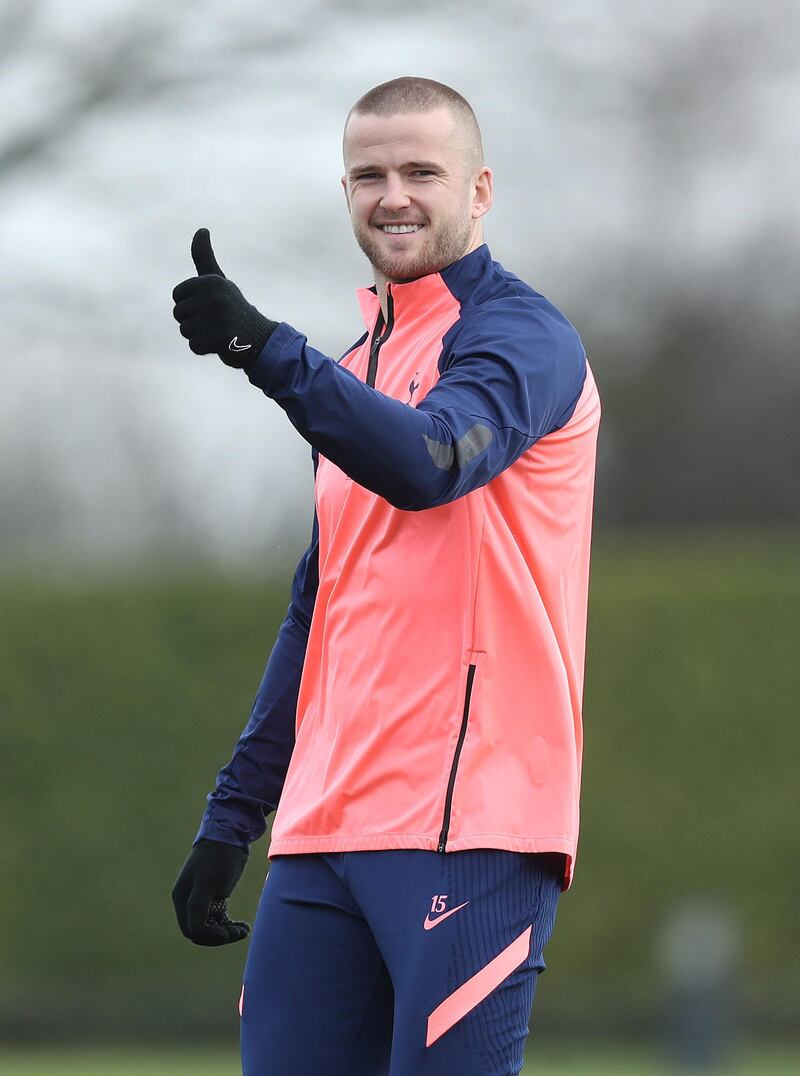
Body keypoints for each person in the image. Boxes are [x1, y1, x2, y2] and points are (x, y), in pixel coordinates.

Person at [171, 76, 600, 1076]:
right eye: (369, 174)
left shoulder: (522, 336)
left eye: (421, 171)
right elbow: (314, 612)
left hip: (471, 828)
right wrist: (231, 818)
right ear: (346, 189)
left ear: (478, 188)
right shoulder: (355, 366)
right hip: (321, 834)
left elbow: (429, 461)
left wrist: (266, 351)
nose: (393, 195)